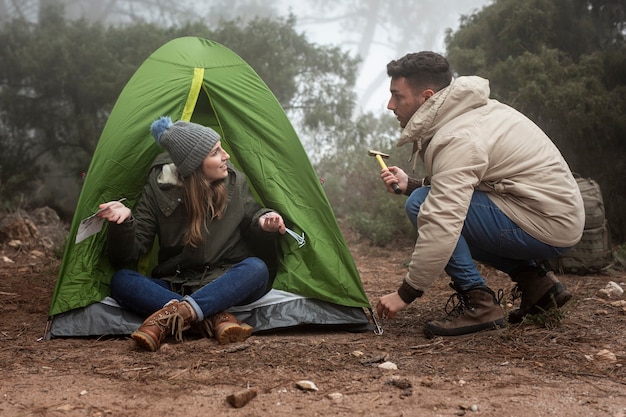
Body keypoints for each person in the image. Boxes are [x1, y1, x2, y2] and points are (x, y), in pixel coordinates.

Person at [374, 51, 584, 337]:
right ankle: (538, 285)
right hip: (549, 215)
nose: (390, 105)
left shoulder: (459, 135)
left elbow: (443, 219)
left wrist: (406, 293)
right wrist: (412, 183)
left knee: (422, 205)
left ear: (426, 96)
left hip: (546, 223)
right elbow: (466, 182)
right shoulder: (469, 113)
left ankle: (480, 303)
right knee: (422, 197)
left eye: (397, 96)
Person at [97, 116, 286, 351]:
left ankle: (174, 316)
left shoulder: (235, 183)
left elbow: (253, 218)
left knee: (257, 269)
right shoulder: (158, 191)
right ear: (196, 164)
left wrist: (264, 222)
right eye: (216, 152)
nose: (226, 156)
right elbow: (131, 252)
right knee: (122, 280)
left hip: (225, 281)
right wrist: (123, 223)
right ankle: (213, 316)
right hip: (176, 283)